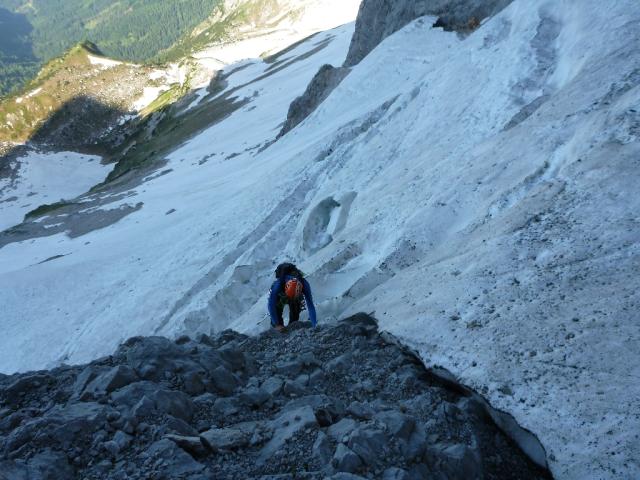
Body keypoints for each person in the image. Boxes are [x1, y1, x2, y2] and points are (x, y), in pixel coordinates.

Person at [268, 262, 317, 330]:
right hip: (282, 295)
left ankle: (291, 327)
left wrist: (314, 325)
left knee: (295, 316)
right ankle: (278, 326)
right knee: (277, 313)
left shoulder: (304, 284)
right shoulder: (278, 286)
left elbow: (310, 305)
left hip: (296, 296)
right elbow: (271, 305)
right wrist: (276, 324)